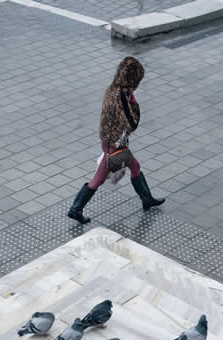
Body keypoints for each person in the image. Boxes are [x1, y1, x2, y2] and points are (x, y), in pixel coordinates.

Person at [68, 56, 165, 224]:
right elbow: (131, 123)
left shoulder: (111, 89)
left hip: (109, 141)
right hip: (116, 145)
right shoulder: (121, 96)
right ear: (132, 79)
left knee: (134, 166)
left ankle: (147, 199)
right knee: (98, 178)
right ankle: (76, 209)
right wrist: (134, 103)